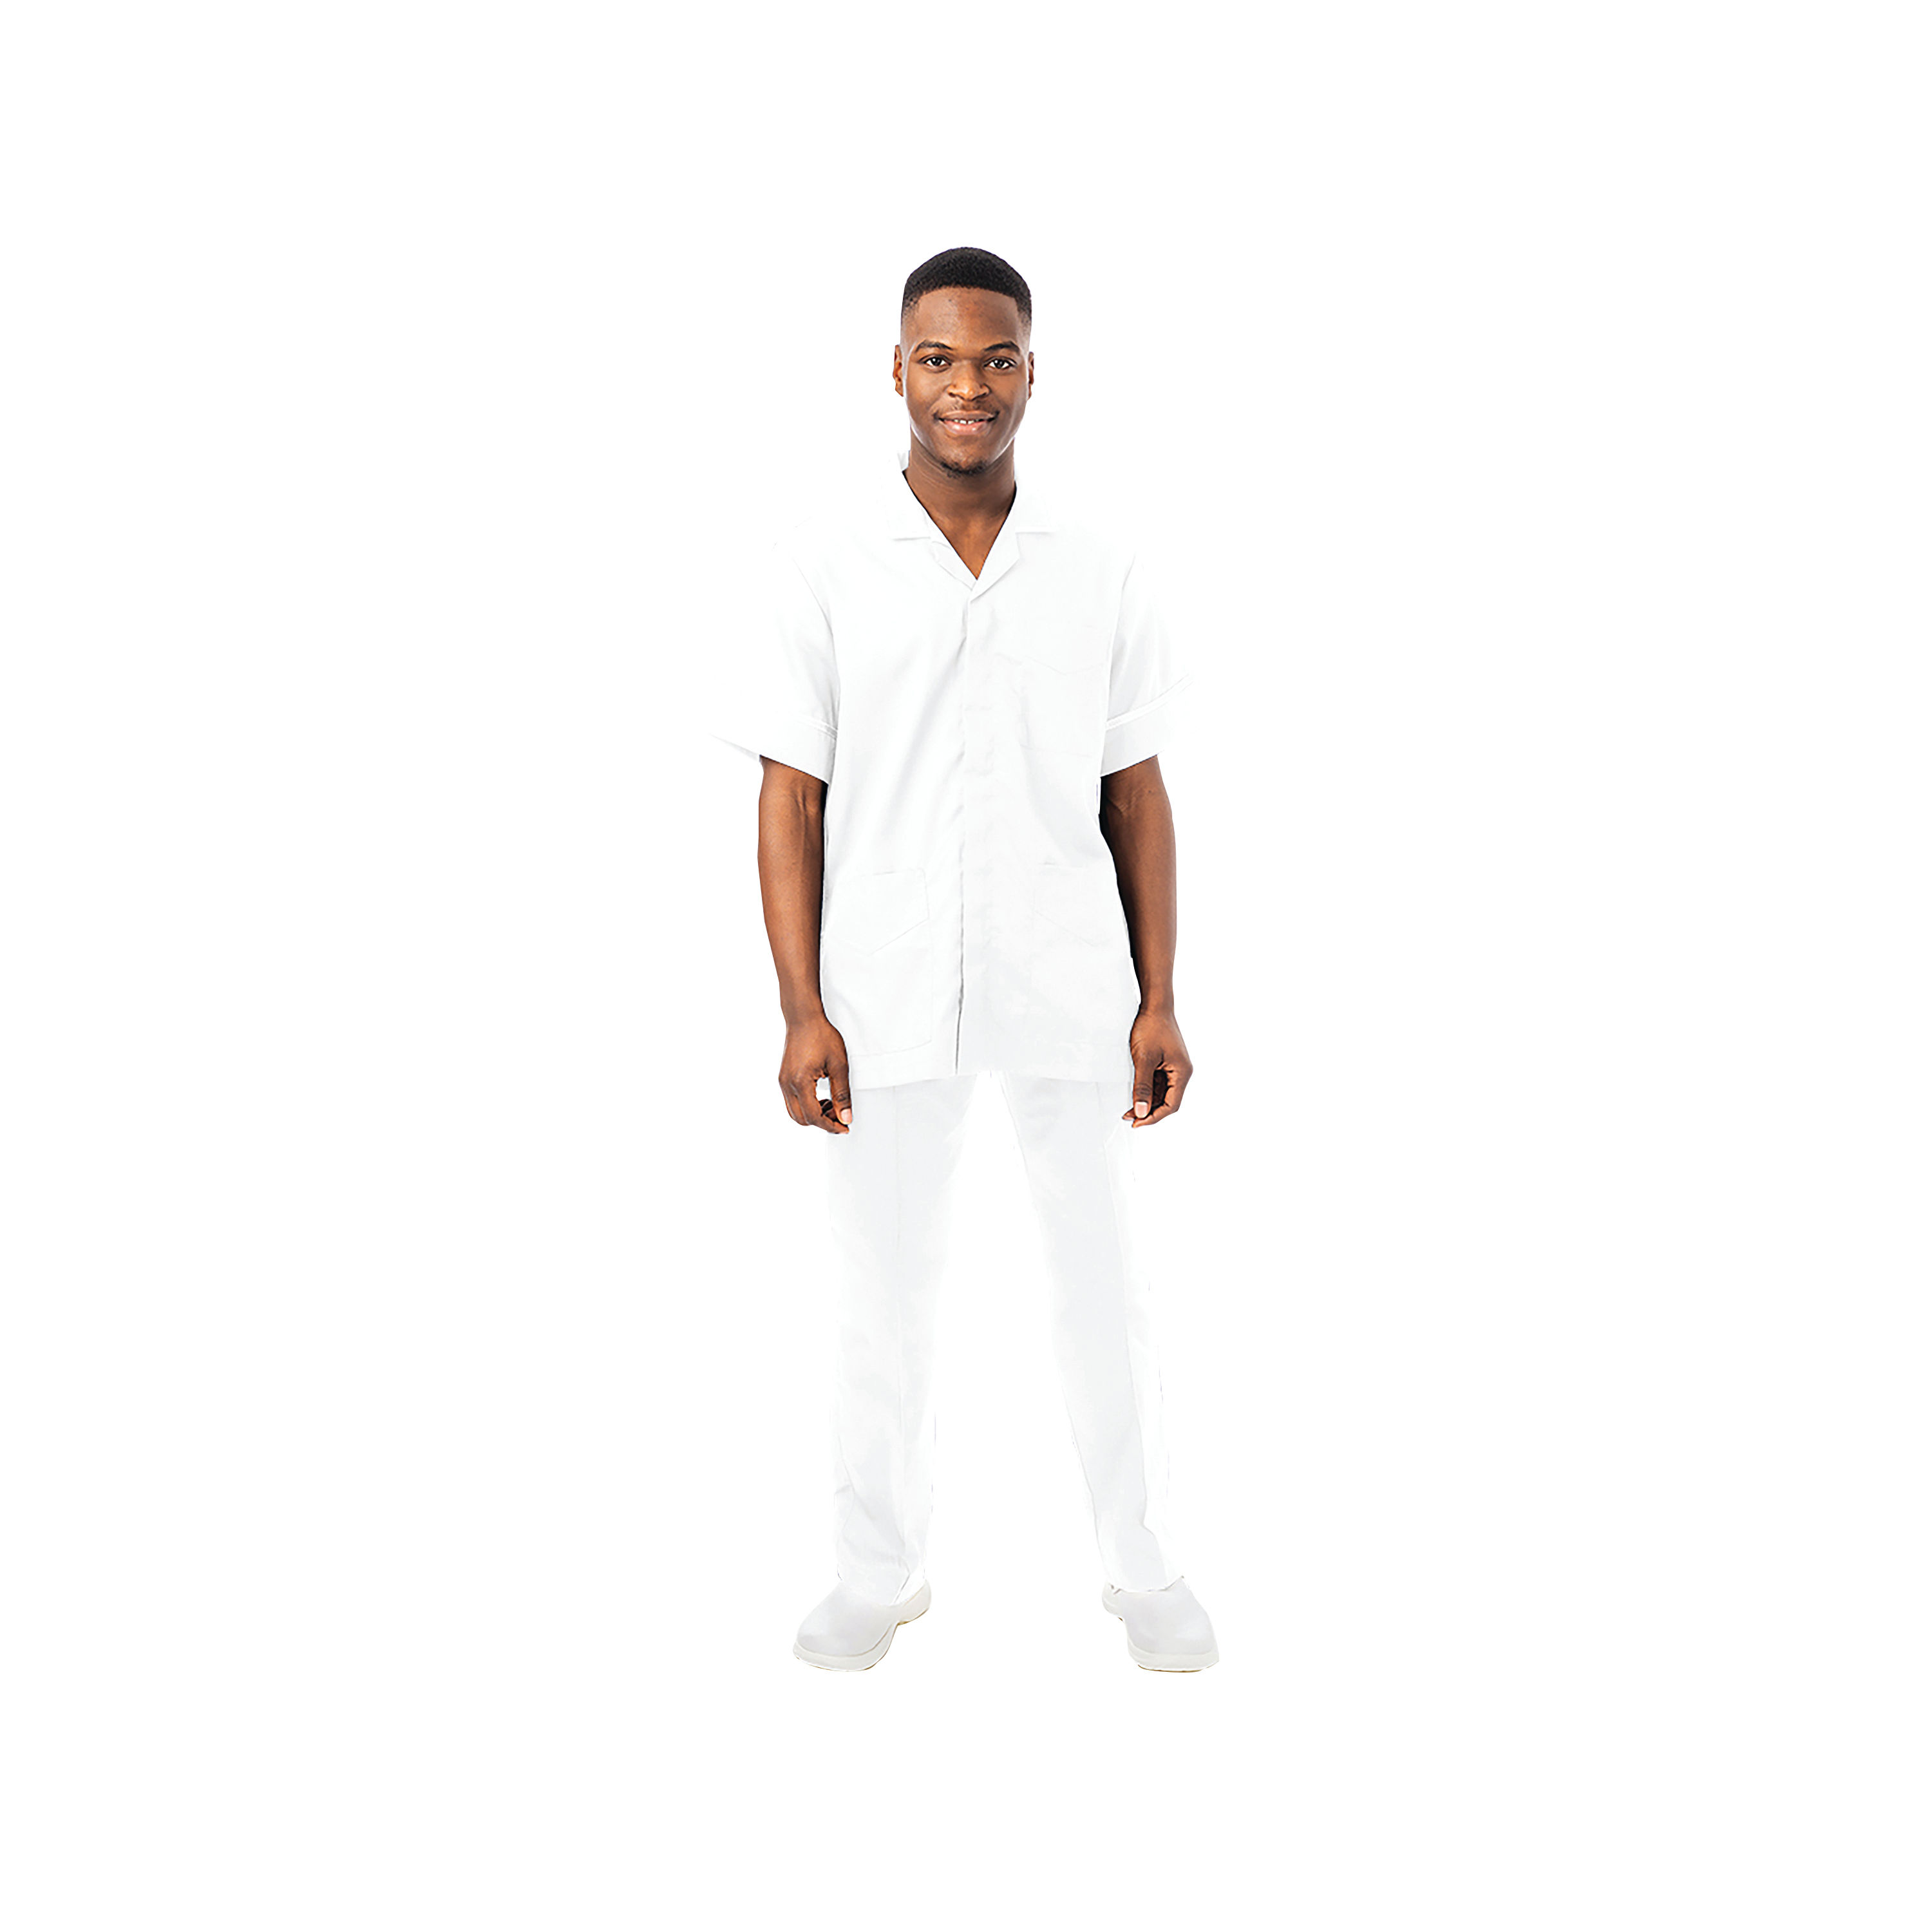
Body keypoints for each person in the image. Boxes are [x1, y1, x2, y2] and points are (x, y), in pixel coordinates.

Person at [708, 246, 1217, 1673]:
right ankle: (877, 1573)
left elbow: (1136, 792)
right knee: (882, 1296)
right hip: (877, 985)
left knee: (1102, 1286)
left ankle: (1143, 1567)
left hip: (1070, 977)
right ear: (897, 371)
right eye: (938, 358)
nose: (967, 387)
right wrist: (800, 1009)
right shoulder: (823, 565)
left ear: (1034, 373)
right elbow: (789, 797)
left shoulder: (1098, 566)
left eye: (996, 359)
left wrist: (1161, 995)